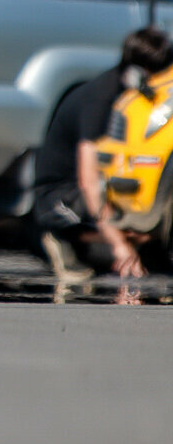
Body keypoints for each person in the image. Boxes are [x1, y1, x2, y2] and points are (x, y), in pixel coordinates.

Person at [32, 26, 173, 282]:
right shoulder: (101, 100)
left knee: (145, 223)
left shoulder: (132, 100)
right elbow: (89, 182)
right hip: (60, 195)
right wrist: (119, 244)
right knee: (118, 221)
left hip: (98, 187)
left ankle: (118, 248)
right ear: (137, 73)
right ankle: (60, 238)